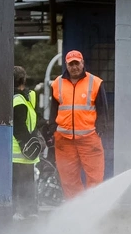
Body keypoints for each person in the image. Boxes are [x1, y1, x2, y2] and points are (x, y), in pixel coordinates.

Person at [46, 50, 110, 199]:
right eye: (71, 64)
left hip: (89, 138)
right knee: (69, 181)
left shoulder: (95, 82)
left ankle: (94, 211)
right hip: (64, 141)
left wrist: (101, 126)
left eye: (77, 63)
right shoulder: (57, 84)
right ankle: (76, 212)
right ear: (66, 66)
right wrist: (51, 128)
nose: (74, 67)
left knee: (95, 178)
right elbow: (54, 110)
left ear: (82, 64)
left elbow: (102, 108)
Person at [12, 66, 41, 219]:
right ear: (24, 79)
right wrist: (27, 145)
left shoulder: (24, 98)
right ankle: (25, 212)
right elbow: (20, 127)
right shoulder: (21, 99)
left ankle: (26, 212)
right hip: (21, 151)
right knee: (24, 184)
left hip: (22, 151)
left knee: (24, 184)